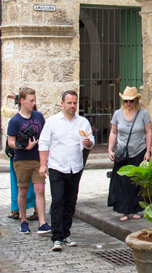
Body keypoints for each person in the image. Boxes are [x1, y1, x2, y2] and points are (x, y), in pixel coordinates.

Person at [39, 90, 94, 251]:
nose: (72, 106)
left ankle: (66, 233)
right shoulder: (52, 122)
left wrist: (88, 143)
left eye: (75, 103)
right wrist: (43, 164)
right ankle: (56, 237)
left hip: (75, 167)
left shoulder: (83, 122)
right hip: (57, 166)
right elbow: (44, 143)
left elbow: (91, 142)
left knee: (70, 202)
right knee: (58, 201)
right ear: (62, 104)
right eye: (69, 103)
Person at [107, 86, 152, 222]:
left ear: (136, 101)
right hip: (122, 154)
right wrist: (110, 149)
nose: (128, 104)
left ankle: (136, 208)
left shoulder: (143, 114)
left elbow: (148, 132)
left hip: (138, 151)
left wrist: (148, 151)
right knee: (122, 182)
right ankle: (124, 210)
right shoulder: (117, 114)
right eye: (126, 101)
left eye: (131, 101)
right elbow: (114, 132)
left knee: (136, 182)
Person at [8, 87, 49, 235]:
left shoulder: (38, 117)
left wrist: (45, 159)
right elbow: (10, 142)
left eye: (34, 100)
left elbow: (45, 136)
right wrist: (24, 146)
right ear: (22, 101)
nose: (33, 103)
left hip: (37, 159)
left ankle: (42, 222)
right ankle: (23, 220)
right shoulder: (15, 121)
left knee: (40, 189)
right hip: (22, 160)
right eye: (31, 100)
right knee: (23, 190)